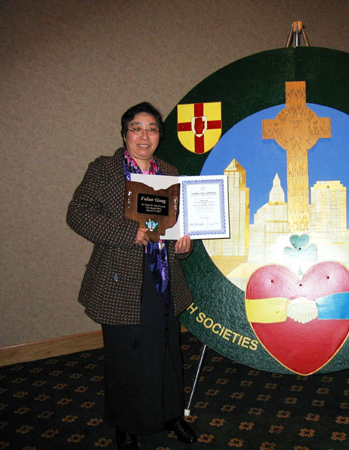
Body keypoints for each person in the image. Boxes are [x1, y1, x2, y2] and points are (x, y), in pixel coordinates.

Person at [67, 102, 197, 449]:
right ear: (124, 134)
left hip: (163, 278)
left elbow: (180, 227)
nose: (144, 135)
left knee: (168, 350)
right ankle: (126, 424)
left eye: (152, 129)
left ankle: (172, 415)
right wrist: (129, 233)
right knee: (125, 356)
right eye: (136, 128)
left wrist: (184, 245)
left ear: (159, 136)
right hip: (119, 279)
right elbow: (77, 214)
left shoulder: (170, 172)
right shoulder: (104, 169)